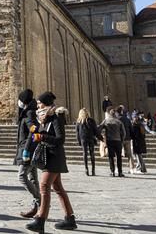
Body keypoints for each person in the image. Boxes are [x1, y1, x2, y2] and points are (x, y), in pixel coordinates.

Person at [26, 91, 76, 233]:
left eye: (39, 102)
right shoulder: (46, 118)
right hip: (49, 156)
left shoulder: (56, 118)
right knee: (58, 188)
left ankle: (40, 220)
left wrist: (41, 137)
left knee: (44, 186)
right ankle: (69, 219)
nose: (37, 105)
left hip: (54, 156)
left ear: (46, 103)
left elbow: (60, 140)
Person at [15, 89, 41, 218]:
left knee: (22, 176)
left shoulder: (29, 113)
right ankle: (37, 207)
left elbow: (34, 129)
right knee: (33, 178)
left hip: (28, 151)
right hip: (29, 149)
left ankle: (39, 199)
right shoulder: (27, 112)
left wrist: (26, 149)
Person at [98, 108, 126, 177]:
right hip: (118, 141)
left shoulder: (106, 121)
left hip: (110, 141)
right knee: (119, 157)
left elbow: (99, 129)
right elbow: (124, 133)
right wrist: (121, 140)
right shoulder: (119, 122)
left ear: (110, 114)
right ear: (115, 114)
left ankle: (112, 172)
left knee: (111, 157)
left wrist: (102, 138)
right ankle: (120, 172)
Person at [75, 108, 100, 176]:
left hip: (83, 139)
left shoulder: (79, 121)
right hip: (91, 138)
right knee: (92, 153)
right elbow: (95, 130)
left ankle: (86, 169)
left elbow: (77, 133)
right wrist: (100, 138)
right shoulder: (91, 120)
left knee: (85, 153)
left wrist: (78, 141)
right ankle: (93, 170)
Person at [116, 105, 135, 174]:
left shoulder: (117, 120)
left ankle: (118, 168)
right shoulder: (127, 119)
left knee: (118, 154)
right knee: (130, 154)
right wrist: (131, 137)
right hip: (127, 138)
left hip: (120, 139)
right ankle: (132, 168)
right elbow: (131, 129)